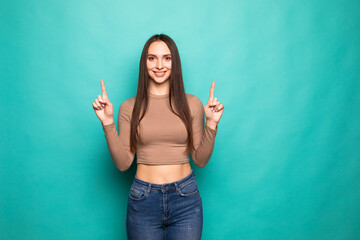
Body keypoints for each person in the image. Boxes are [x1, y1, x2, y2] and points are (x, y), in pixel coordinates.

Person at [92, 34, 224, 240]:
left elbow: (200, 160)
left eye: (167, 58)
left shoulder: (193, 104)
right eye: (152, 58)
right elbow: (123, 164)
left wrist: (212, 124)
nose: (159, 65)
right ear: (144, 63)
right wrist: (107, 122)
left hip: (186, 199)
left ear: (174, 63)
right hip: (143, 199)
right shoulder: (129, 107)